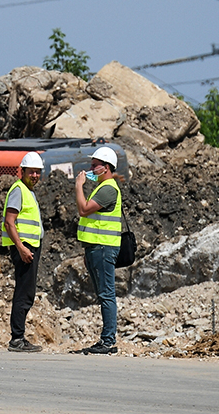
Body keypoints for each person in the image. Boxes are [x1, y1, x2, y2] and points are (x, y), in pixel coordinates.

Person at [75, 145, 124, 355]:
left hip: (103, 248)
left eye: (95, 166)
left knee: (106, 294)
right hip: (96, 247)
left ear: (106, 167)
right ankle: (106, 338)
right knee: (104, 294)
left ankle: (108, 340)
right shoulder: (102, 187)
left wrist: (79, 186)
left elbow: (84, 209)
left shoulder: (108, 189)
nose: (91, 169)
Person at [3, 151, 44, 352]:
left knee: (27, 292)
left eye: (38, 172)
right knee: (24, 293)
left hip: (29, 247)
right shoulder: (19, 190)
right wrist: (21, 248)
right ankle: (17, 338)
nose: (35, 176)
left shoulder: (28, 191)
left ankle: (18, 337)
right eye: (31, 172)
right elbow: (9, 223)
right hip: (24, 248)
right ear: (22, 171)